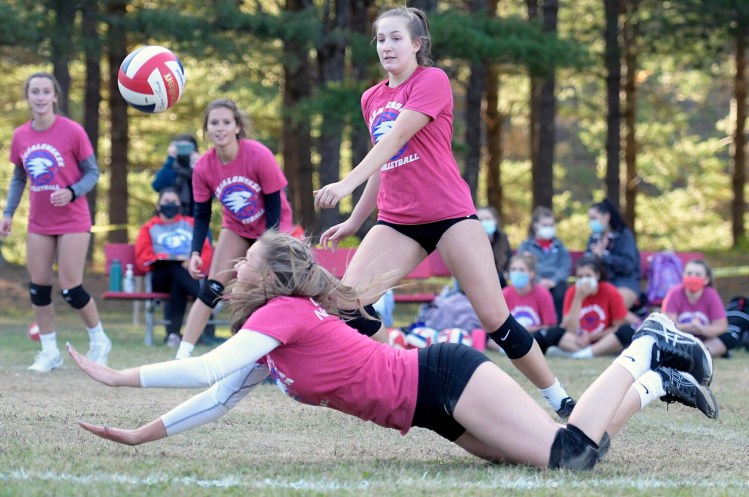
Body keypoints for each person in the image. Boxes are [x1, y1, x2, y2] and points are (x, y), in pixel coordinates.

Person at [67, 231, 718, 471]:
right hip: (429, 410)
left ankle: (647, 346)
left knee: (568, 455)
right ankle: (658, 383)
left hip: (443, 379)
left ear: (272, 278)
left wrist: (117, 376)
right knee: (582, 448)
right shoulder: (271, 337)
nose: (231, 271)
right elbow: (217, 394)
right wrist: (137, 436)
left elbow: (208, 365)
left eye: (242, 265)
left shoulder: (283, 314)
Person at [313, 6, 575, 418]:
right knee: (347, 306)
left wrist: (345, 184)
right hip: (398, 222)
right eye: (381, 39)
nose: (387, 46)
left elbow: (397, 137)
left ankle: (559, 397)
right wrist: (354, 220)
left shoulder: (432, 81)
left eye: (397, 38)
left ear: (417, 44)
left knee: (495, 320)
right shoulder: (371, 98)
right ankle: (405, 375)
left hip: (450, 215)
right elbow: (384, 161)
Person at [0, 72, 111, 372]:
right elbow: (19, 177)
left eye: (45, 91)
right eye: (34, 91)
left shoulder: (72, 131)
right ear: (28, 97)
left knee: (70, 288)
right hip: (39, 221)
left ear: (54, 96)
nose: (39, 96)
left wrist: (72, 191)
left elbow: (92, 173)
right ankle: (50, 352)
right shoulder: (21, 135)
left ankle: (99, 341)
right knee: (38, 288)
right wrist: (8, 213)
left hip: (73, 218)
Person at [174, 98, 294, 360]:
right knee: (213, 288)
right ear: (206, 129)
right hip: (237, 227)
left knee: (271, 292)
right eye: (214, 123)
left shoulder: (258, 154)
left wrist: (266, 244)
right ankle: (182, 356)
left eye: (226, 122)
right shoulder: (204, 167)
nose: (220, 128)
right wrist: (195, 252)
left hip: (274, 228)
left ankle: (274, 356)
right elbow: (202, 214)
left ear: (237, 127)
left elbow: (275, 205)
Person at [570, 259, 740, 361]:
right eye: (689, 273)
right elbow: (667, 324)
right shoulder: (675, 293)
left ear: (706, 279)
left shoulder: (711, 295)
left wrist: (702, 329)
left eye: (697, 274)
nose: (692, 278)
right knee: (652, 338)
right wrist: (688, 328)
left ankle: (697, 355)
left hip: (703, 338)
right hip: (678, 339)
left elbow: (721, 326)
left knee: (729, 337)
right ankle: (692, 356)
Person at [135, 188, 214, 347]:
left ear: (180, 205)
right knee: (172, 266)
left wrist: (193, 262)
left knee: (177, 284)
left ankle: (173, 336)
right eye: (166, 202)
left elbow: (205, 251)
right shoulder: (149, 227)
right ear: (158, 205)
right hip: (160, 275)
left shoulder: (190, 224)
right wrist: (166, 259)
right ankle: (203, 299)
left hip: (186, 273)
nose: (170, 205)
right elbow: (142, 258)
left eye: (174, 202)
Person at [531, 255, 628, 356]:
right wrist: (579, 297)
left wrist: (591, 337)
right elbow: (570, 329)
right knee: (551, 333)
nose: (584, 280)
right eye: (580, 277)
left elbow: (618, 327)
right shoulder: (572, 292)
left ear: (597, 275)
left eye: (588, 276)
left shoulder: (610, 291)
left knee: (627, 331)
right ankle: (587, 353)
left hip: (602, 340)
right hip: (576, 340)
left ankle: (582, 354)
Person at [586, 198, 642, 318]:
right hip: (599, 284)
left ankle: (640, 327)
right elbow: (585, 264)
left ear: (606, 216)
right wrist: (593, 257)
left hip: (624, 282)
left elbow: (628, 266)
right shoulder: (594, 237)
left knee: (614, 308)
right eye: (590, 219)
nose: (591, 222)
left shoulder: (624, 235)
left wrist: (605, 257)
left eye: (594, 218)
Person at [518, 206, 571, 323]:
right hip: (533, 282)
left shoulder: (559, 245)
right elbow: (521, 265)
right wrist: (538, 280)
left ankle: (558, 327)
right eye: (545, 225)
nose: (549, 228)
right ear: (535, 226)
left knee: (560, 293)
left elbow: (565, 266)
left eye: (551, 225)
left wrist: (553, 281)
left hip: (555, 283)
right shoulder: (526, 246)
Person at [503, 253, 558, 333]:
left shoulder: (543, 294)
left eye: (522, 270)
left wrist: (526, 330)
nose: (517, 273)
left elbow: (550, 327)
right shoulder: (505, 294)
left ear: (532, 274)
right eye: (513, 269)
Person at [152, 134, 200, 216]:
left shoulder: (198, 169)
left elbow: (210, 194)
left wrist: (199, 167)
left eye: (188, 148)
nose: (184, 151)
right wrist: (171, 158)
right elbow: (157, 185)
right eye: (180, 148)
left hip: (193, 220)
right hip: (168, 219)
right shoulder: (170, 168)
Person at [478, 206, 512, 287]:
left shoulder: (502, 238)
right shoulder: (470, 239)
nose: (485, 222)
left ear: (495, 220)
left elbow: (508, 259)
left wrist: (506, 273)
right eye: (481, 220)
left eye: (488, 219)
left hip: (499, 281)